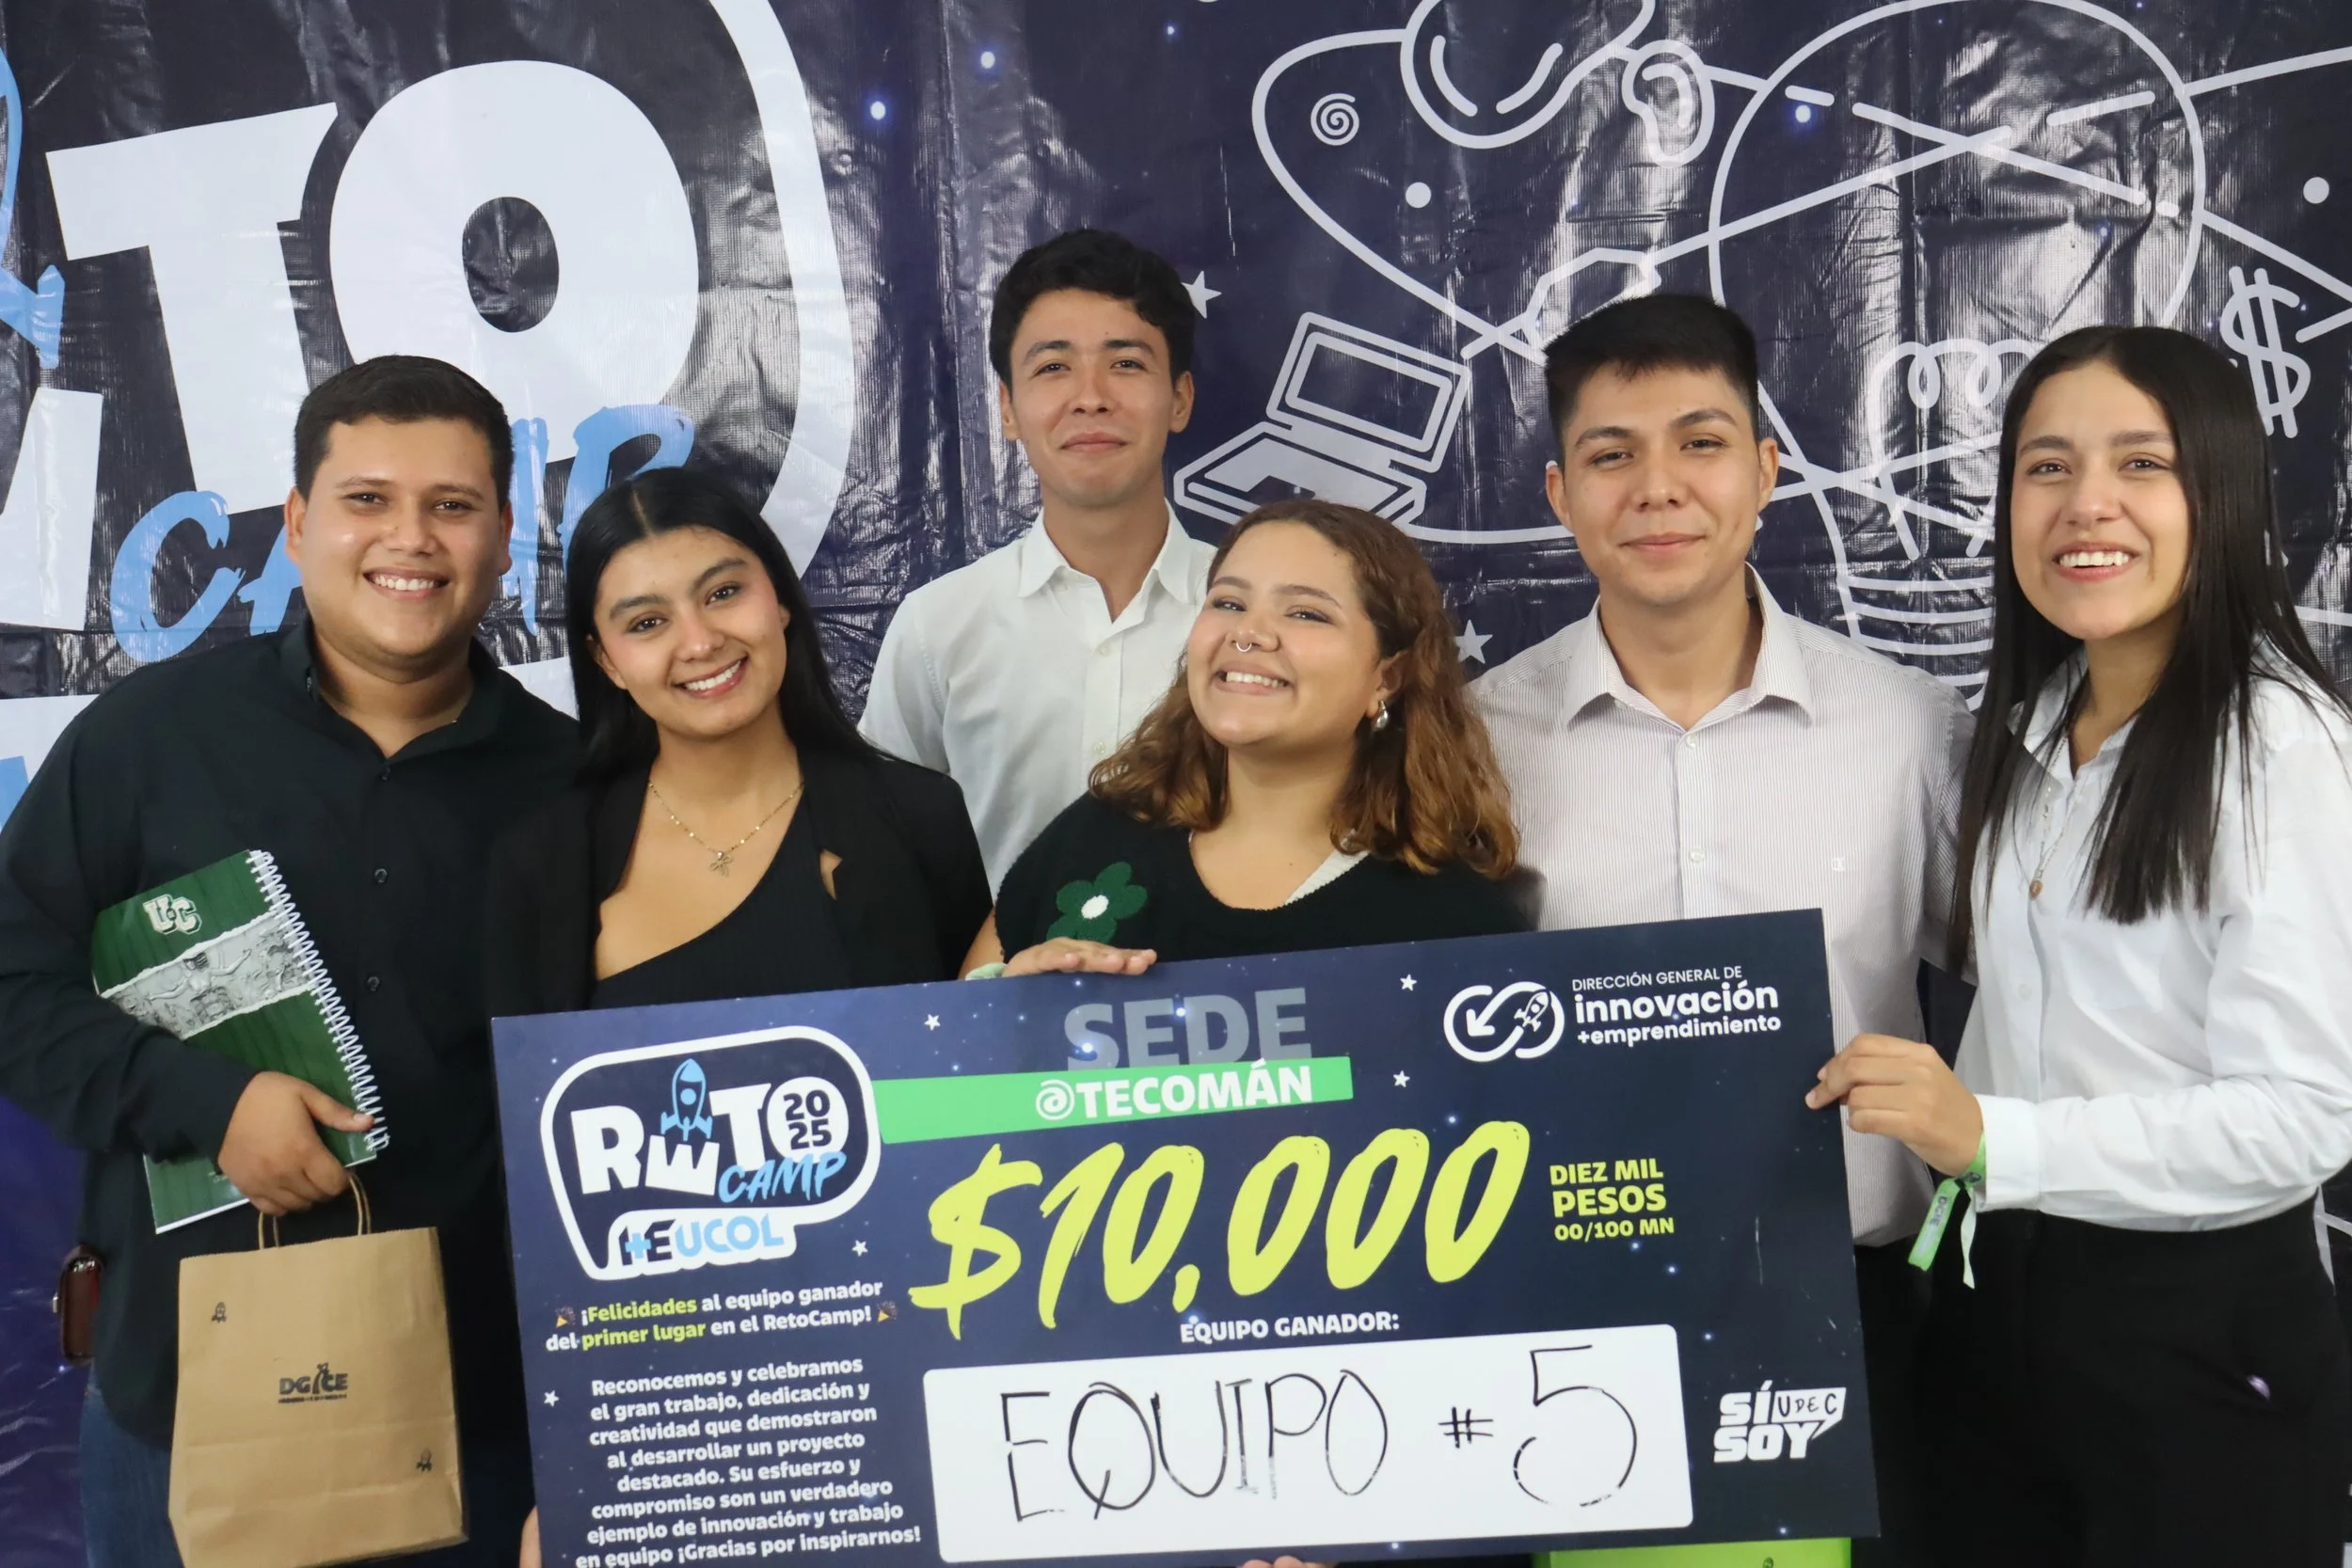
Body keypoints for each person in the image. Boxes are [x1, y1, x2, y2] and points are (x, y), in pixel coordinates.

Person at [0, 356, 575, 1566]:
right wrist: (205, 1102)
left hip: (487, 1424)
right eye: (366, 499)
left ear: (505, 535)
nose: (409, 539)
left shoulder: (576, 781)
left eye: (453, 504)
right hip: (190, 1409)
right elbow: (9, 980)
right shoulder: (148, 740)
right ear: (301, 523)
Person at [1812, 325, 2352, 1565]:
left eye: (2140, 463)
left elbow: (2305, 1112)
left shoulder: (2280, 751)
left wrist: (1994, 1135)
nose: (2083, 505)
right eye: (2046, 467)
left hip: (2196, 1327)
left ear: (2219, 491)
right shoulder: (2038, 717)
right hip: (1994, 1298)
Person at [1472, 293, 1969, 1567]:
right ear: (1559, 490)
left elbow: (2029, 974)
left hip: (1864, 1314)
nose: (1657, 487)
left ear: (1766, 469)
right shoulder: (1470, 741)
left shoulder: (1908, 725)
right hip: (1574, 1312)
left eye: (1699, 442)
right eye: (1609, 453)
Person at [485, 466, 990, 1017]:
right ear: (606, 660)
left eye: (723, 593)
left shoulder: (922, 814)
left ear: (779, 598)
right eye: (647, 623)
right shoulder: (540, 862)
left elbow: (971, 1067)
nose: (700, 643)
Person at [970, 497, 1523, 975]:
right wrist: (1011, 1005)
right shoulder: (1097, 836)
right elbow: (957, 1049)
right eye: (1229, 603)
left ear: (1387, 677)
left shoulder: (1456, 920)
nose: (1248, 633)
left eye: (1306, 614)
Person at [860, 227, 1216, 888]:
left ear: (1181, 399)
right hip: (1001, 987)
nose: (1090, 396)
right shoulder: (938, 628)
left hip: (1229, 991)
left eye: (1127, 363)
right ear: (1008, 409)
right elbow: (884, 856)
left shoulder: (1252, 619)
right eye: (1053, 367)